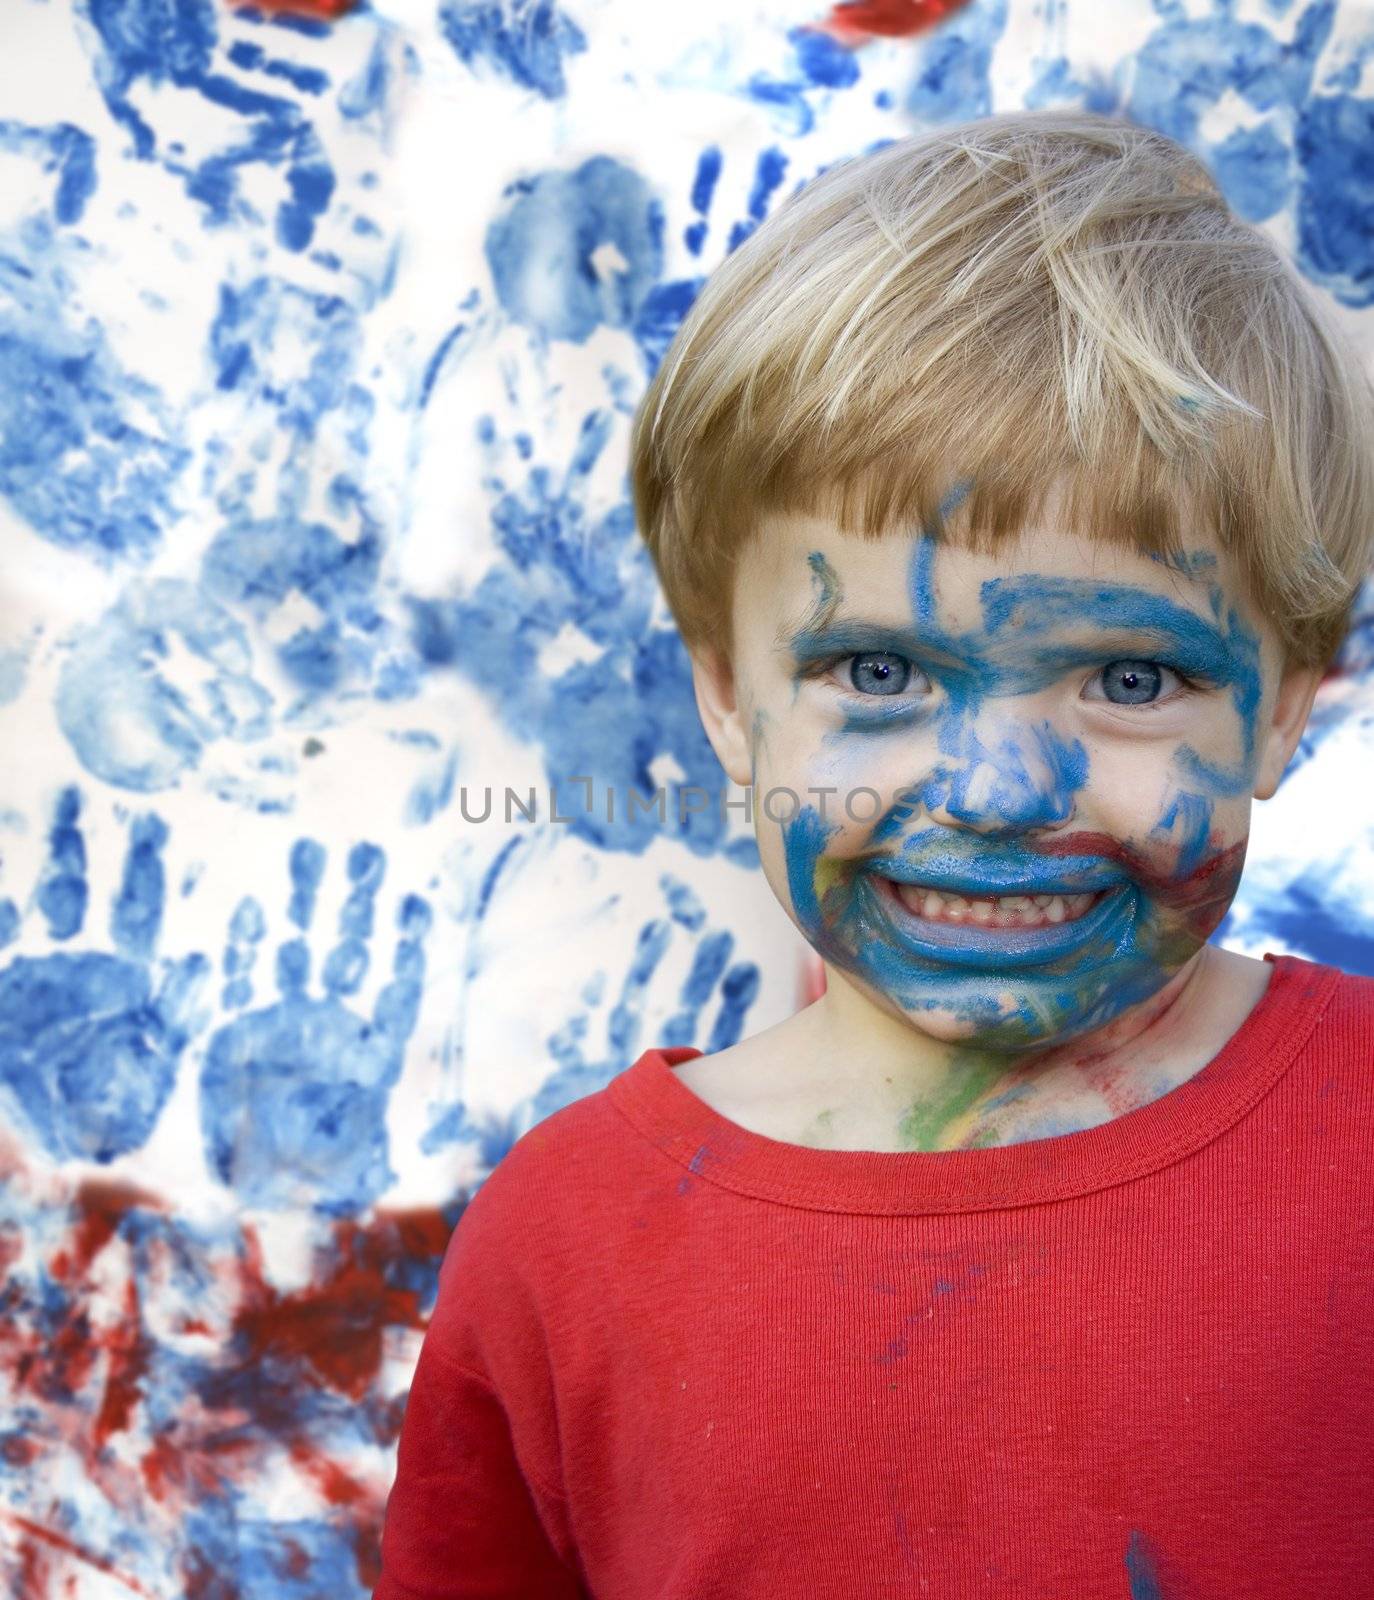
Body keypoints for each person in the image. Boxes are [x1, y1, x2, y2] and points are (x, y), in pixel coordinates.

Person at [372, 110, 1374, 1597]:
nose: (995, 787)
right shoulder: (565, 1246)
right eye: (878, 672)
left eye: (1128, 678)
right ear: (728, 695)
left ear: (1285, 708)